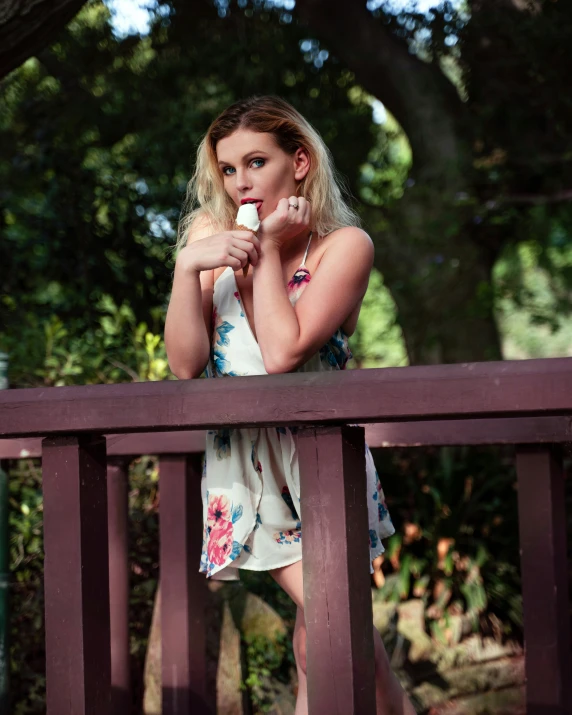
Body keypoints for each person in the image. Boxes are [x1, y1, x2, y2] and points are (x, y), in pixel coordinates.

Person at [165, 95, 415, 715]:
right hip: (245, 458)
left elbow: (283, 352)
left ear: (299, 161)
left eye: (256, 161)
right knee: (335, 619)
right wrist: (187, 268)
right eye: (227, 169)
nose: (240, 181)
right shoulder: (210, 234)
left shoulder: (344, 246)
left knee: (320, 640)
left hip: (321, 456)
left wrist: (267, 250)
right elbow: (184, 363)